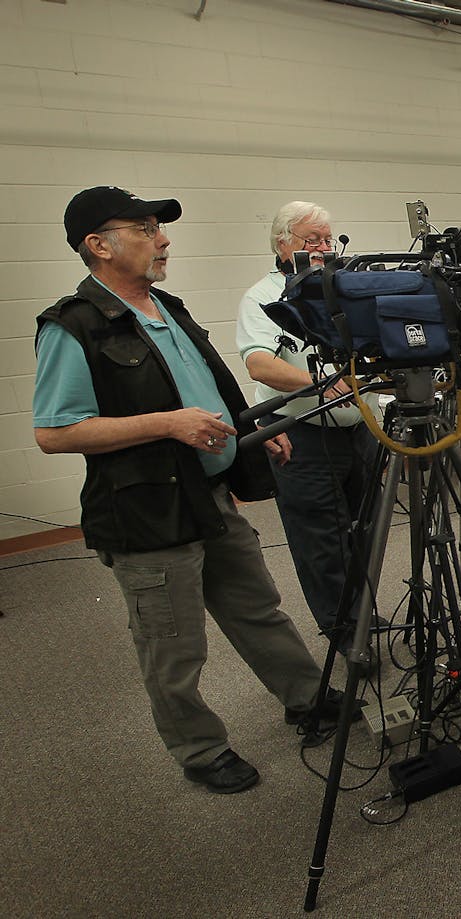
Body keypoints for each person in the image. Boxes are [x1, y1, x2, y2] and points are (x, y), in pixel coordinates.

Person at [33, 186, 337, 794]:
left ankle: (308, 699)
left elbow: (207, 387)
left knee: (257, 608)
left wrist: (252, 430)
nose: (162, 239)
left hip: (209, 496)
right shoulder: (74, 326)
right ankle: (200, 749)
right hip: (146, 513)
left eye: (158, 228)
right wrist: (167, 425)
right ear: (98, 245)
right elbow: (54, 432)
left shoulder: (165, 306)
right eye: (145, 229)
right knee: (173, 647)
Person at [235, 202, 376, 648]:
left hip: (359, 431)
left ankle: (366, 616)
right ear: (283, 245)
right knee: (322, 543)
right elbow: (260, 365)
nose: (322, 248)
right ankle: (345, 636)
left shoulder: (344, 290)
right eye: (310, 240)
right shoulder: (262, 297)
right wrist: (324, 384)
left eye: (327, 239)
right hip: (301, 435)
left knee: (366, 530)